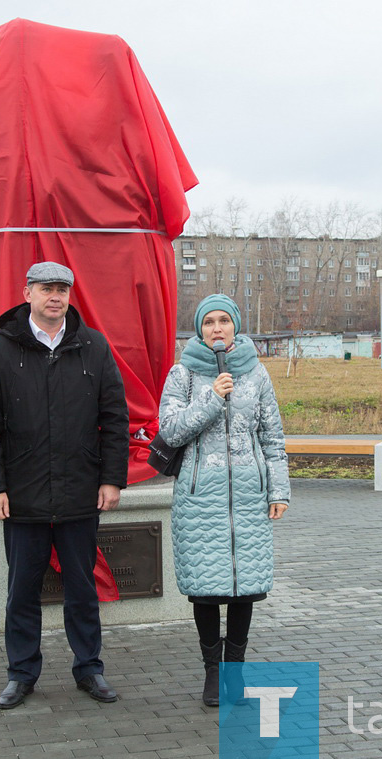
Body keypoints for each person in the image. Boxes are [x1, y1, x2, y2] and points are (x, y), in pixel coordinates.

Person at [0, 262, 130, 709]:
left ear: (70, 296)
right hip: (22, 495)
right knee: (22, 589)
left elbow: (114, 419)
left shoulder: (93, 347)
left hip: (80, 491)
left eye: (62, 289)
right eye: (46, 289)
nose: (54, 296)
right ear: (28, 293)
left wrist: (112, 479)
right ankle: (21, 673)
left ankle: (90, 669)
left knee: (82, 587)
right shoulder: (0, 350)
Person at [158, 294, 290, 707]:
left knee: (243, 590)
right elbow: (170, 430)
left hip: (250, 496)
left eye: (224, 321)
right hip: (201, 498)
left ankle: (236, 668)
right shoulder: (181, 375)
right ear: (200, 329)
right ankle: (211, 672)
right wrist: (212, 397)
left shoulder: (256, 373)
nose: (217, 329)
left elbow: (272, 437)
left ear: (235, 326)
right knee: (206, 590)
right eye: (209, 322)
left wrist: (278, 489)